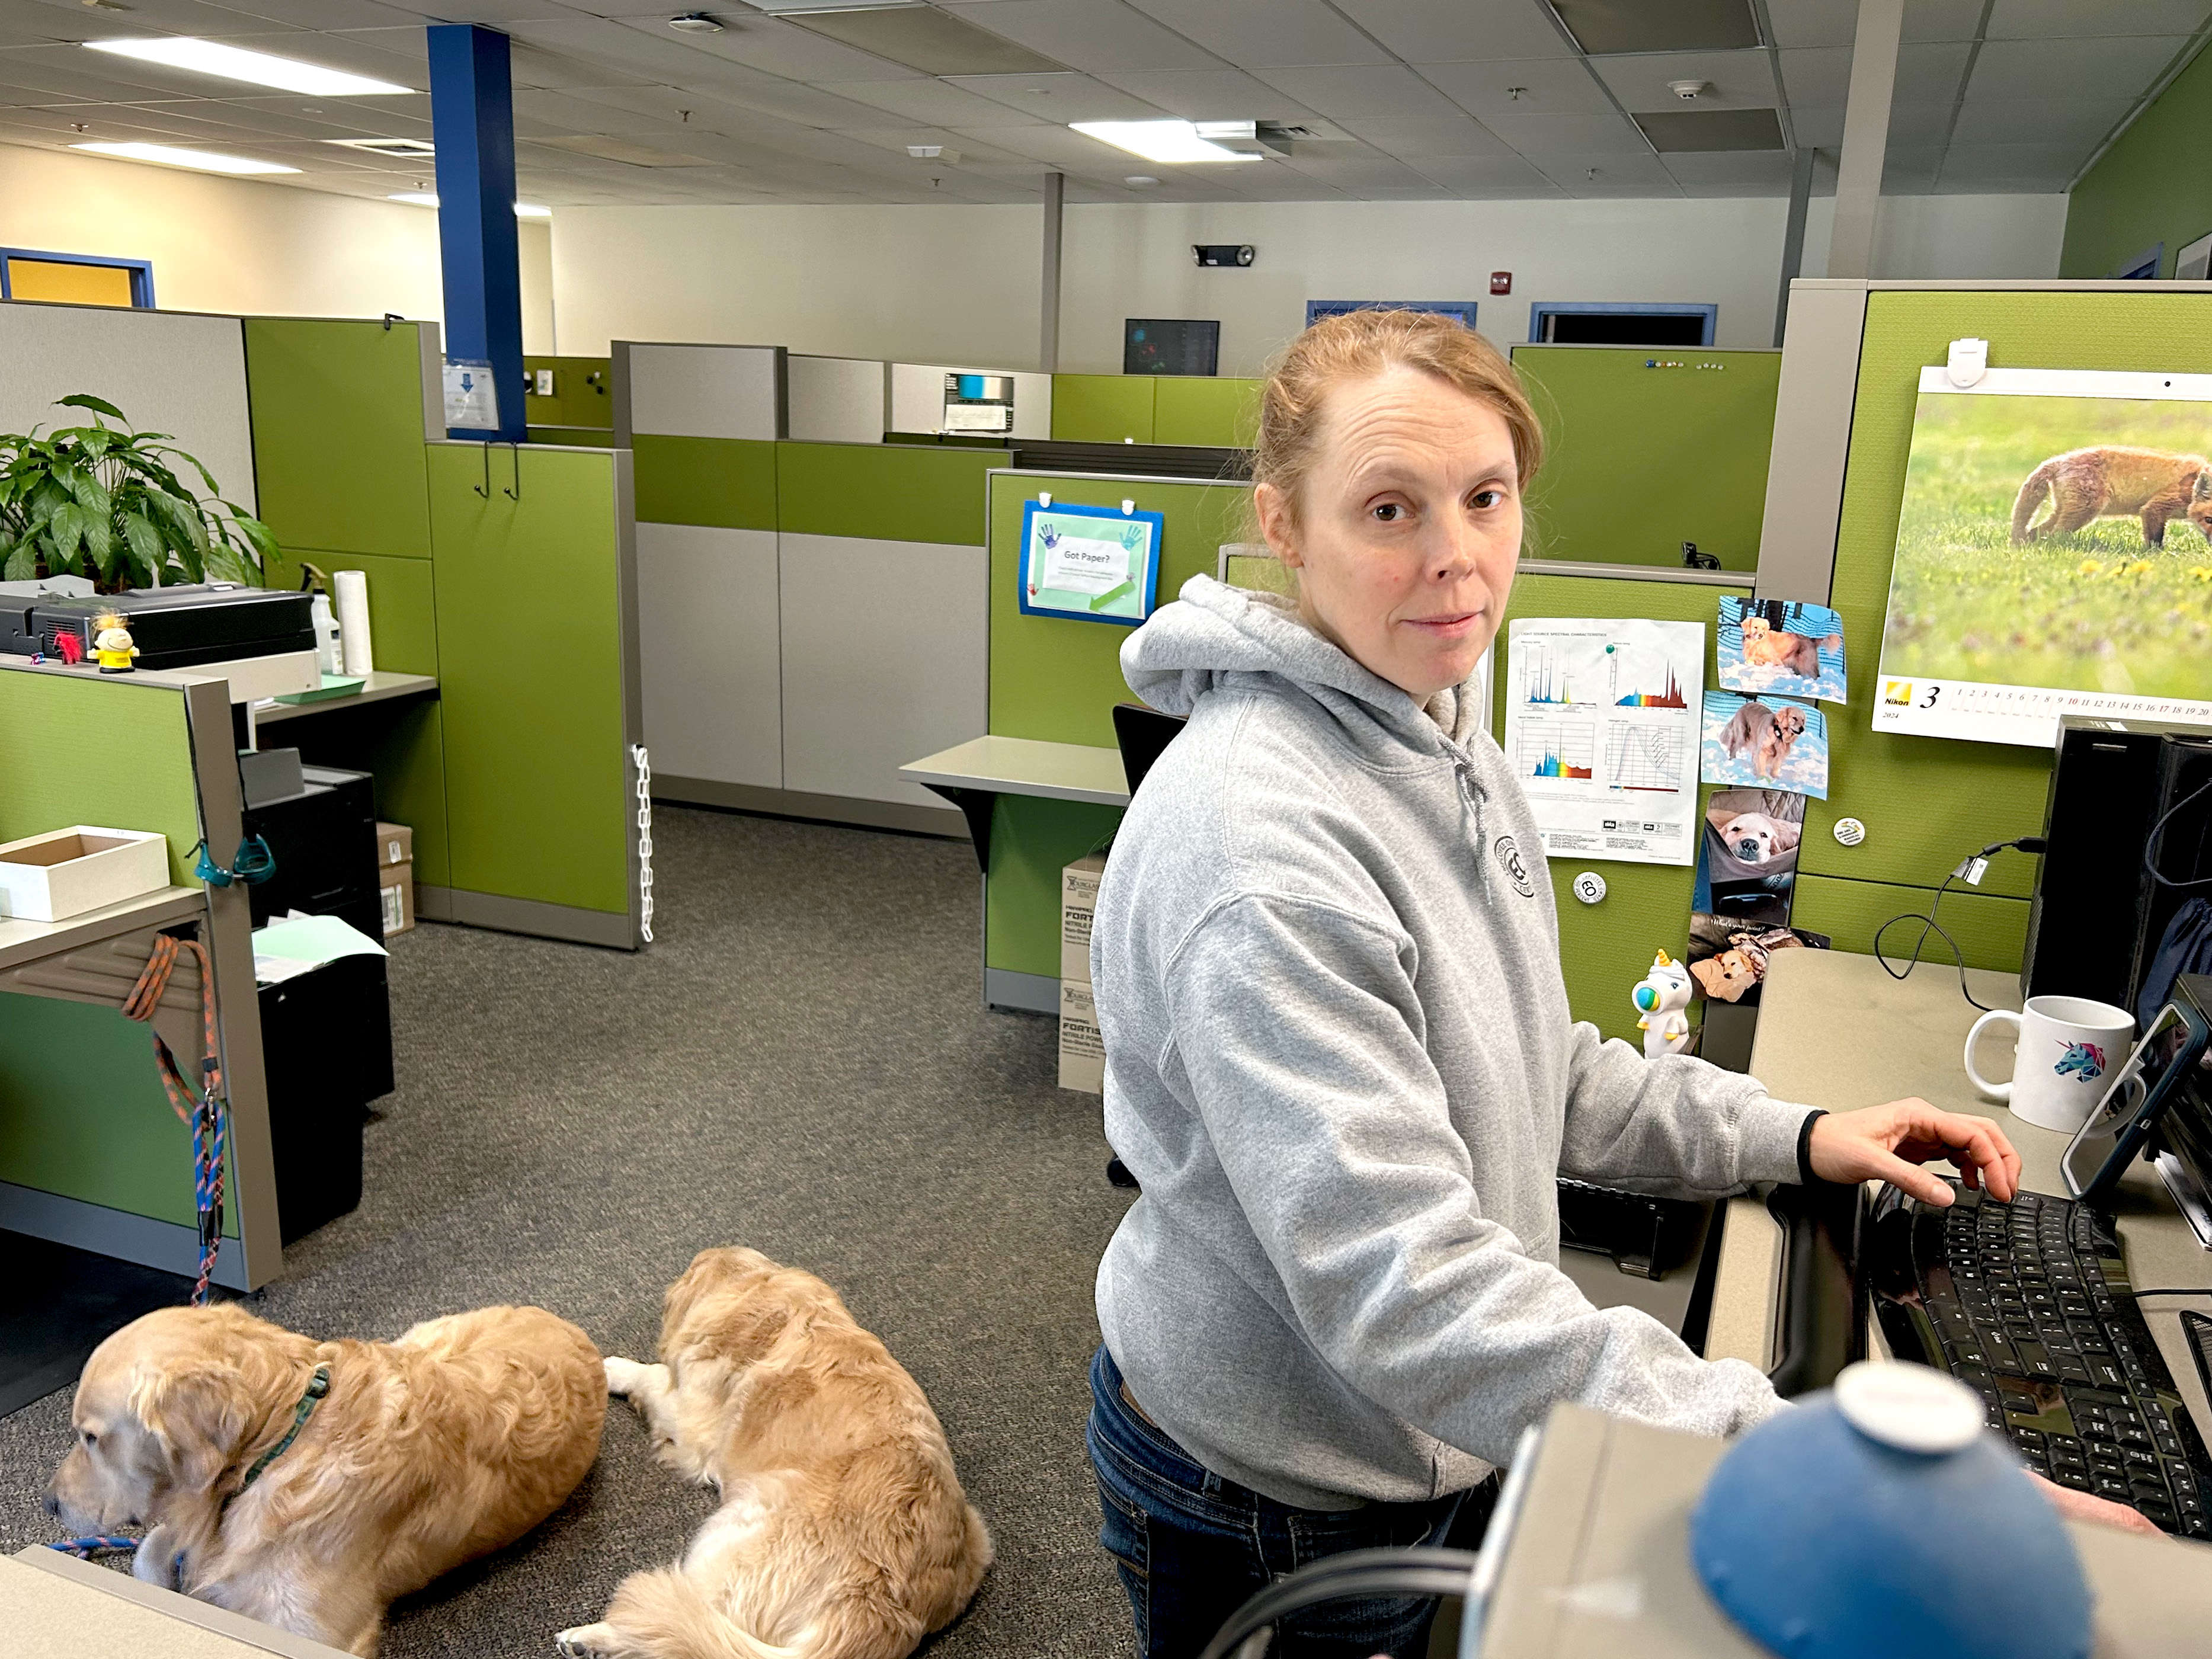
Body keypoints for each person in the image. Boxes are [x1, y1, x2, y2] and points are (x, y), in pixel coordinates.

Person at [1083, 309, 2149, 1659]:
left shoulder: (1443, 738)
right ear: (1285, 525)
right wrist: (1797, 1453)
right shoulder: (1262, 850)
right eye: (1389, 508)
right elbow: (1405, 1286)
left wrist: (1800, 1135)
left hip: (1426, 1428)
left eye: (1485, 496)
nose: (1455, 556)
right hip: (1282, 1483)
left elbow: (1547, 1068)